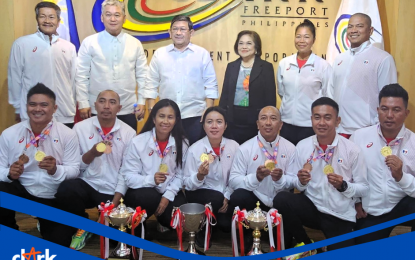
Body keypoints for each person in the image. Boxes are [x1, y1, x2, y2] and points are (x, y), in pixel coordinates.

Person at [273, 97, 369, 254]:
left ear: (338, 121)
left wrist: (343, 186)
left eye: (327, 117)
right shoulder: (303, 146)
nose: (322, 122)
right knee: (282, 199)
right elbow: (296, 183)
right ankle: (306, 245)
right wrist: (301, 182)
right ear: (311, 119)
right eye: (317, 117)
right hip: (313, 207)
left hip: (339, 214)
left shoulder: (352, 150)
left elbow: (363, 188)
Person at [0, 83, 80, 246]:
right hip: (23, 189)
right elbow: (0, 168)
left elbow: (74, 169)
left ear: (54, 108)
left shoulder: (68, 134)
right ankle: (10, 232)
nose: (38, 109)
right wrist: (9, 173)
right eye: (33, 104)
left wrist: (55, 170)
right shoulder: (9, 134)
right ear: (26, 106)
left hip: (52, 194)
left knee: (59, 241)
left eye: (44, 105)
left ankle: (57, 222)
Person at [54, 90, 136, 249]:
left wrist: (113, 204)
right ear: (95, 105)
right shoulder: (79, 128)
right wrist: (91, 154)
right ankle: (82, 225)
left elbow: (127, 171)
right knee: (66, 189)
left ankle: (103, 220)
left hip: (113, 190)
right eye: (102, 101)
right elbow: (73, 165)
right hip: (88, 183)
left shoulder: (129, 133)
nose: (106, 106)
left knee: (114, 241)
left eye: (112, 102)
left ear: (119, 108)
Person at [351, 84, 415, 244]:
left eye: (396, 110)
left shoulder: (413, 142)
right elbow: (348, 176)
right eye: (384, 109)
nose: (389, 115)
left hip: (403, 206)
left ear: (406, 113)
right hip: (370, 211)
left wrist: (401, 177)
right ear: (377, 110)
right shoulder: (359, 137)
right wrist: (356, 201)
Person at [141, 15, 218, 145]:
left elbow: (211, 84)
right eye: (175, 29)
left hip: (195, 115)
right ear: (169, 32)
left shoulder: (201, 54)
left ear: (191, 32)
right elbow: (151, 83)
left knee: (194, 154)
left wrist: (208, 111)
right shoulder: (160, 54)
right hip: (167, 116)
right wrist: (151, 108)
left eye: (182, 29)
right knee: (167, 154)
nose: (178, 33)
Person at [228, 106, 295, 252]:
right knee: (239, 196)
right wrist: (256, 178)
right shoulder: (245, 148)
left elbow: (295, 181)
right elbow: (233, 180)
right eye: (263, 118)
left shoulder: (290, 148)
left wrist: (280, 179)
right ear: (258, 124)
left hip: (278, 203)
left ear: (281, 124)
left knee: (286, 199)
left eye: (273, 118)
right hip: (255, 201)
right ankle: (246, 240)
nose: (268, 123)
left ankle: (283, 244)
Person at [76, 0, 148, 130]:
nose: (113, 19)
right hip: (96, 108)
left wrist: (142, 101)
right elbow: (81, 75)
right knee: (96, 148)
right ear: (102, 18)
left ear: (124, 18)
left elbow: (143, 76)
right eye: (108, 15)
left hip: (128, 108)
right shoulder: (89, 42)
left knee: (127, 148)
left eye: (117, 15)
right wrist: (82, 102)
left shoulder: (135, 43)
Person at [121, 99, 188, 232]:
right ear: (153, 119)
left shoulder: (183, 143)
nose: (165, 121)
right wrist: (151, 179)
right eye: (161, 116)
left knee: (178, 221)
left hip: (168, 191)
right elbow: (128, 176)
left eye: (170, 117)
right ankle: (138, 223)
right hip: (142, 191)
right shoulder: (137, 142)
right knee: (148, 197)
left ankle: (162, 221)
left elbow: (181, 175)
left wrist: (167, 196)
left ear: (176, 120)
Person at [8, 1, 77, 128]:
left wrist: (72, 104)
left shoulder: (69, 47)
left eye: (51, 17)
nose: (47, 21)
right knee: (35, 148)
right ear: (37, 19)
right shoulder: (22, 44)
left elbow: (73, 80)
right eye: (42, 16)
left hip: (64, 113)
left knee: (62, 147)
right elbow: (15, 79)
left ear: (58, 20)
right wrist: (18, 108)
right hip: (35, 113)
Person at [328, 13, 397, 138]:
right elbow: (330, 92)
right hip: (337, 130)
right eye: (350, 27)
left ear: (370, 30)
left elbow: (389, 99)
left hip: (366, 132)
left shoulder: (383, 59)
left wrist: (376, 128)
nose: (353, 30)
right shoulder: (339, 59)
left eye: (359, 26)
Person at [183, 106, 239, 247]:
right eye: (209, 122)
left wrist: (227, 194)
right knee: (216, 198)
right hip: (200, 193)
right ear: (203, 125)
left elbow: (238, 176)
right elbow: (187, 183)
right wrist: (199, 176)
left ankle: (213, 220)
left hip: (226, 195)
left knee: (225, 226)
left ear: (225, 126)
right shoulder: (194, 149)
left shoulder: (234, 147)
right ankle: (201, 228)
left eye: (219, 122)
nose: (214, 126)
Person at [278, 19, 332, 145]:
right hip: (286, 124)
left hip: (310, 125)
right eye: (298, 36)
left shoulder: (323, 66)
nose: (302, 41)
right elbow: (281, 92)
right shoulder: (284, 63)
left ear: (313, 40)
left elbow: (327, 96)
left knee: (307, 163)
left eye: (306, 37)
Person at [219, 30, 276, 145]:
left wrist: (266, 120)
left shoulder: (265, 67)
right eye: (241, 43)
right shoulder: (232, 66)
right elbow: (225, 95)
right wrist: (222, 118)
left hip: (255, 121)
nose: (244, 47)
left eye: (249, 43)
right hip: (232, 120)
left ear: (256, 47)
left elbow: (270, 98)